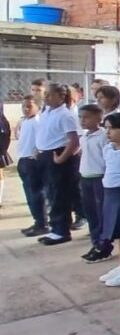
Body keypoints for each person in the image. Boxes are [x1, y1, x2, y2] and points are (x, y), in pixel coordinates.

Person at [36, 83, 80, 246]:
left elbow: (74, 141)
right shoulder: (46, 112)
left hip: (58, 155)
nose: (46, 97)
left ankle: (61, 230)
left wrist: (62, 158)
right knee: (50, 192)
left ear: (61, 96)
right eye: (45, 94)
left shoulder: (65, 115)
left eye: (50, 94)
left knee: (58, 194)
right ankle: (55, 227)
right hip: (45, 154)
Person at [77, 104, 110, 263]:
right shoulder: (84, 137)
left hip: (100, 178)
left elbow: (107, 158)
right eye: (81, 117)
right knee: (90, 212)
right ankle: (95, 242)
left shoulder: (103, 136)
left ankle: (104, 246)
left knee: (101, 213)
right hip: (86, 177)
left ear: (99, 119)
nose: (83, 120)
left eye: (87, 117)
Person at [16, 96, 48, 236]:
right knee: (29, 194)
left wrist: (36, 155)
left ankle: (42, 223)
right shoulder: (24, 121)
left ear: (38, 107)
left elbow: (41, 141)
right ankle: (37, 221)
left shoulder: (37, 122)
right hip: (23, 159)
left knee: (36, 193)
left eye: (29, 106)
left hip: (32, 160)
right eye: (23, 106)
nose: (25, 108)